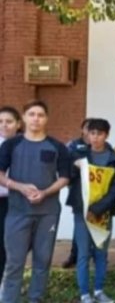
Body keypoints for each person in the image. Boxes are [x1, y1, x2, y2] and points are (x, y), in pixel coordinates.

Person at [0, 100, 71, 303]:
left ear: (46, 119)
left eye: (40, 115)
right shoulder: (11, 144)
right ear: (23, 118)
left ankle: (36, 299)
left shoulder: (57, 146)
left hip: (48, 212)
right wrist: (19, 186)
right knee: (14, 262)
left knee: (43, 261)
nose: (36, 119)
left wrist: (46, 192)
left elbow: (64, 177)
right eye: (31, 114)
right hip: (17, 211)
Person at [67, 119, 115, 303]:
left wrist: (98, 209)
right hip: (81, 212)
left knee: (101, 253)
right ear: (87, 134)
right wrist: (73, 168)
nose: (96, 137)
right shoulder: (78, 155)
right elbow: (67, 178)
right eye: (92, 133)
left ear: (106, 135)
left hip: (103, 213)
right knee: (83, 253)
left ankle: (99, 291)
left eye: (100, 134)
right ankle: (85, 294)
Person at [63, 117, 94, 269]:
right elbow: (66, 165)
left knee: (95, 224)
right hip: (78, 192)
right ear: (82, 130)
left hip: (96, 193)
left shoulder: (101, 146)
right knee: (80, 226)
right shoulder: (73, 145)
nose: (91, 132)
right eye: (88, 128)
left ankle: (95, 254)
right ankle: (74, 255)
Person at [0, 106, 21, 285]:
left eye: (9, 122)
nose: (4, 125)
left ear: (18, 124)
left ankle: (10, 284)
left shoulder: (23, 144)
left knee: (15, 245)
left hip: (18, 202)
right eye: (0, 122)